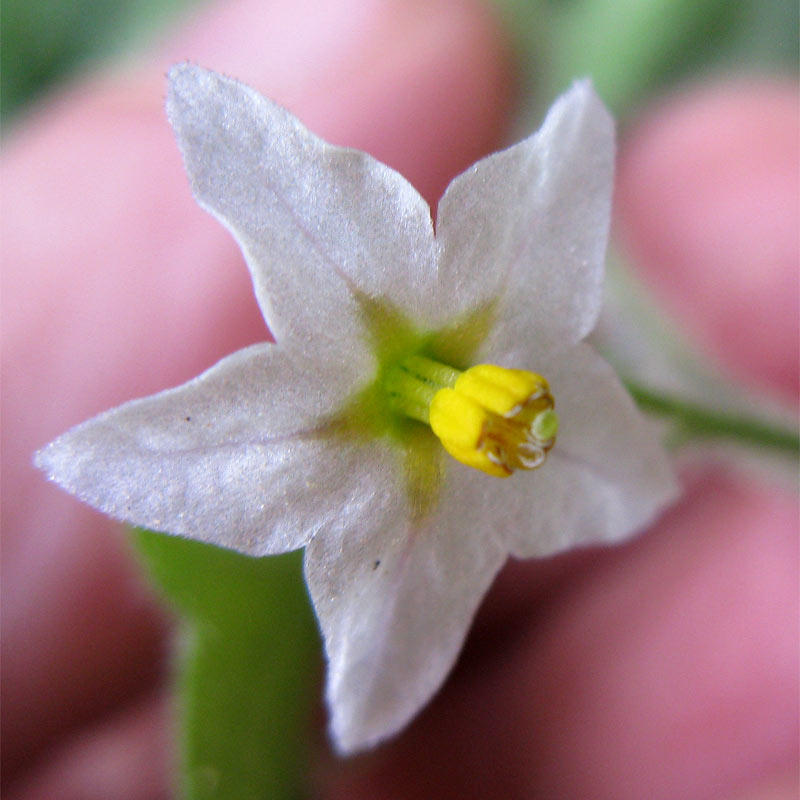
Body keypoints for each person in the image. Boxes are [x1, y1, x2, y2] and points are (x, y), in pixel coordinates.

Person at [2, 0, 796, 797]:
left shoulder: (522, 411)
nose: (485, 418)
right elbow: (259, 176)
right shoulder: (469, 426)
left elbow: (610, 461)